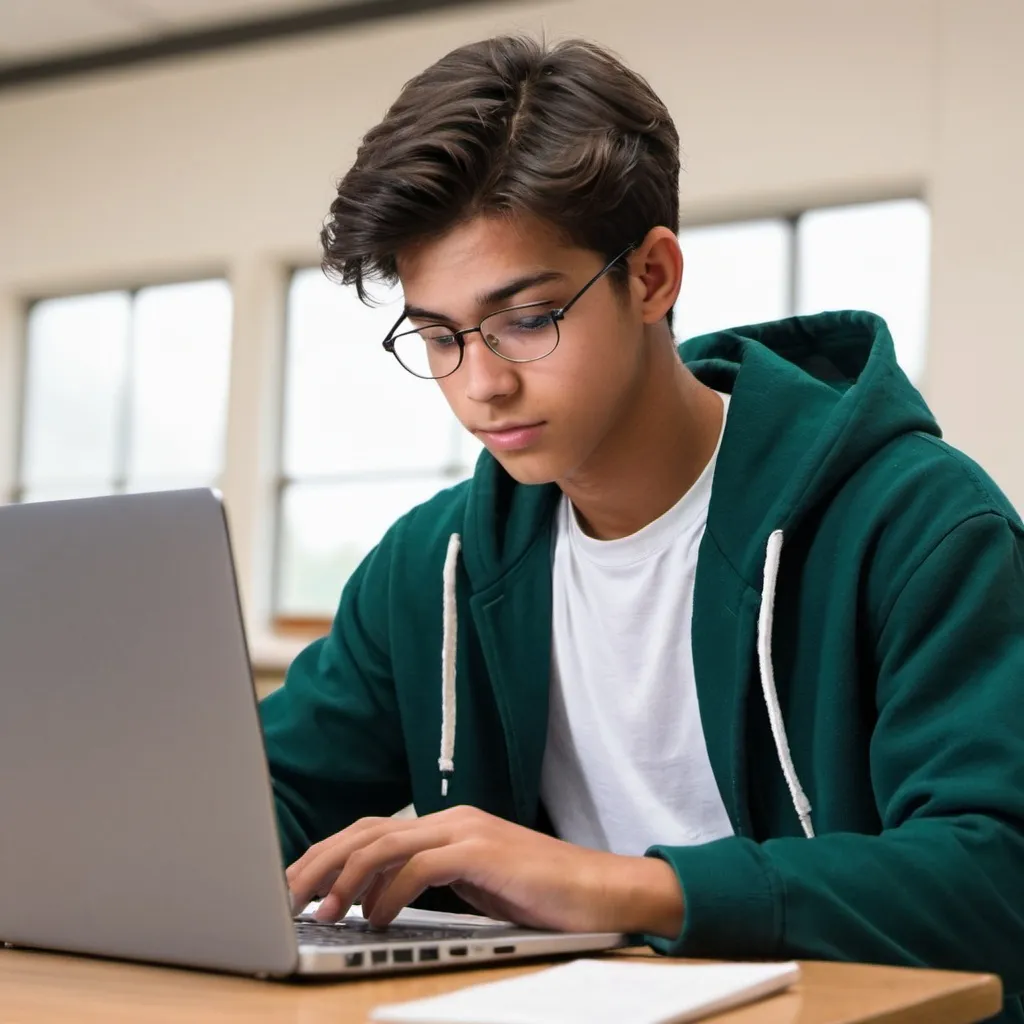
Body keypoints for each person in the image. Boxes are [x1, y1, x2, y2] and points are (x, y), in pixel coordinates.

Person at [260, 34, 1024, 1021]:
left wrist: (614, 886)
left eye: (526, 318)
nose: (481, 383)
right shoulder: (431, 564)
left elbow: (996, 873)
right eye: (439, 336)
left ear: (653, 276)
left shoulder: (915, 523)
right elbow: (259, 802)